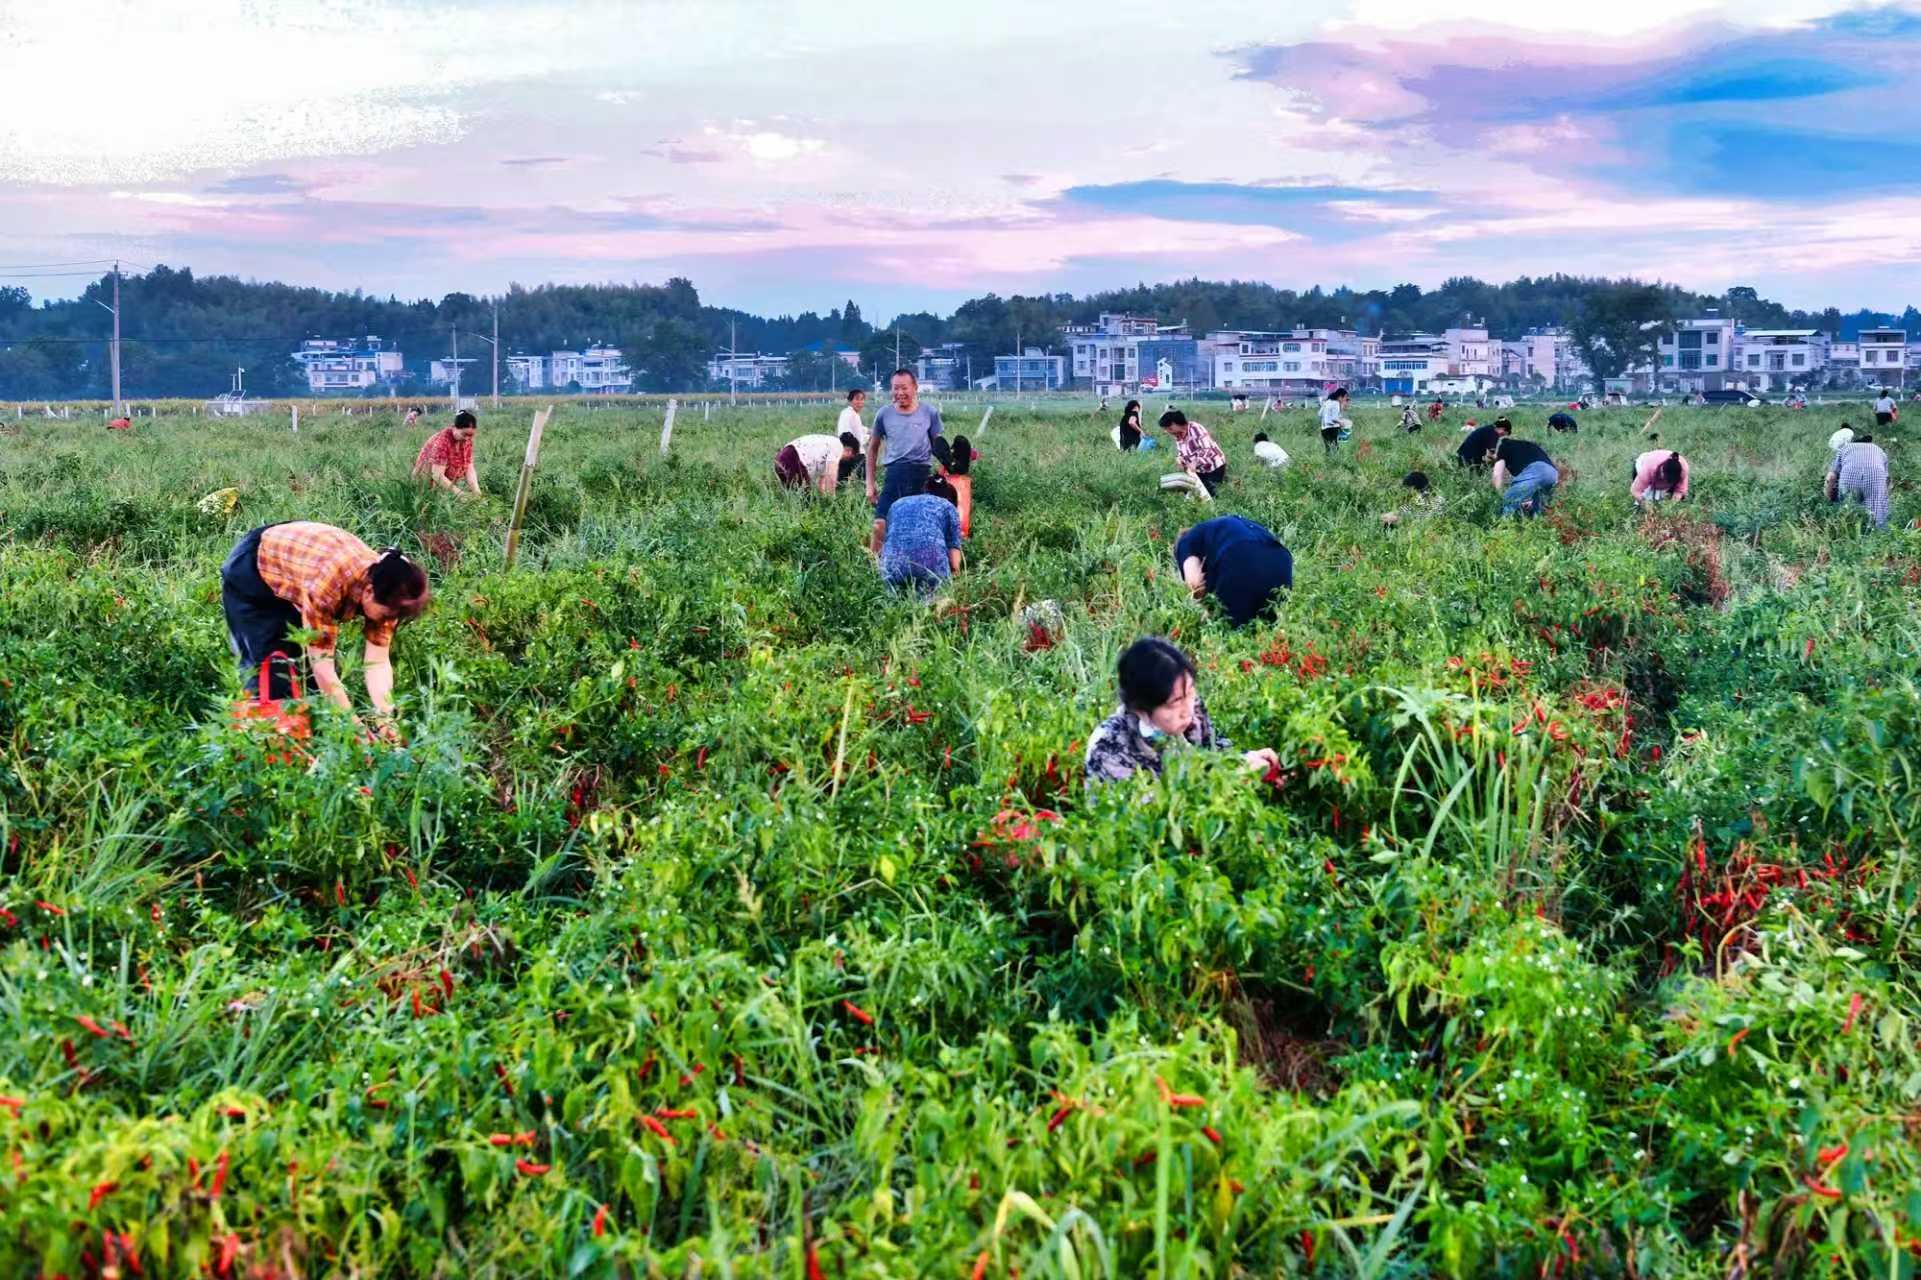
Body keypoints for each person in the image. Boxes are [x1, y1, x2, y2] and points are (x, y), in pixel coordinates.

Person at [220, 522, 430, 736]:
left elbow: (377, 663)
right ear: (368, 592)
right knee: (271, 676)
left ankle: (311, 748)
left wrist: (386, 720)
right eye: (387, 615)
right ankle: (264, 750)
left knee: (309, 682)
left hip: (298, 574)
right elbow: (324, 668)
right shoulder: (329, 583)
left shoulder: (391, 593)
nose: (389, 621)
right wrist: (356, 730)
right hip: (254, 568)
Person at [1084, 637, 1281, 786]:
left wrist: (1244, 758)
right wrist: (1230, 778)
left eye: (1190, 692)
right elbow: (1149, 815)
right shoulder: (1108, 747)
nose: (1187, 710)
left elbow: (1212, 747)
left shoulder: (1191, 708)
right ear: (1140, 708)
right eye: (1175, 702)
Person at [864, 369, 944, 556]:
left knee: (917, 528)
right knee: (879, 525)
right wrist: (870, 484)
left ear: (915, 388)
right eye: (895, 388)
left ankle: (917, 568)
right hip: (894, 475)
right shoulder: (884, 414)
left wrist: (944, 476)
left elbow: (939, 448)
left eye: (904, 388)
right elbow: (872, 449)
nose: (900, 393)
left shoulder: (929, 412)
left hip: (921, 476)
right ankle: (875, 569)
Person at [1172, 515, 1292, 627]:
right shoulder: (1223, 530)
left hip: (1239, 555)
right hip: (1281, 560)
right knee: (1268, 634)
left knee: (1226, 629)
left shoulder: (1186, 541)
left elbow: (1195, 583)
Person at [878, 475, 964, 596]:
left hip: (892, 566)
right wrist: (957, 580)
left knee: (893, 607)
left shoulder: (897, 503)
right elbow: (954, 557)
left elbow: (890, 539)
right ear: (949, 497)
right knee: (934, 609)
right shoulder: (948, 507)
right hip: (930, 567)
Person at [413, 410, 482, 498]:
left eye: (471, 435)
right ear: (454, 427)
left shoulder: (466, 441)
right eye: (464, 434)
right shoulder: (442, 441)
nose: (467, 438)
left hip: (444, 483)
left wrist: (477, 491)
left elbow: (469, 467)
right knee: (432, 500)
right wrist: (461, 495)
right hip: (426, 482)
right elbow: (437, 475)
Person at [1827, 433, 1890, 528]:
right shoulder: (1879, 450)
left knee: (1847, 510)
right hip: (1875, 476)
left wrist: (1830, 500)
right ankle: (1879, 533)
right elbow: (1886, 481)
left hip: (1849, 477)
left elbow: (1831, 477)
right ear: (1869, 441)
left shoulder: (1845, 448)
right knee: (1877, 513)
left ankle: (1847, 531)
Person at [1161, 410, 1227, 496]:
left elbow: (1206, 449)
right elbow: (1182, 451)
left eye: (1169, 428)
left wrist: (1195, 462)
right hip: (1198, 469)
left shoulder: (1195, 428)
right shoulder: (1178, 435)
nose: (1168, 431)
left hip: (1213, 466)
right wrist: (1180, 458)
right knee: (1198, 492)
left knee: (1212, 493)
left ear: (1175, 424)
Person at [1491, 433, 1558, 516]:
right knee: (1535, 512)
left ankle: (1499, 526)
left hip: (1536, 470)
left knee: (1506, 503)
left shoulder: (1504, 446)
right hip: (1553, 474)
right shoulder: (1526, 446)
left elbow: (1497, 475)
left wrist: (1500, 496)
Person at [776, 431, 861, 494]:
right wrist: (833, 502)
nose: (846, 460)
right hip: (792, 458)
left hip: (780, 459)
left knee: (793, 498)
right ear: (850, 451)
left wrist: (823, 497)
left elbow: (822, 481)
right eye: (850, 457)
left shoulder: (827, 448)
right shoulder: (838, 446)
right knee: (804, 501)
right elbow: (831, 477)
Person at [934, 433, 975, 536]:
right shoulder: (967, 459)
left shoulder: (947, 465)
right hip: (962, 487)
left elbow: (939, 475)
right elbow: (975, 454)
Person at [1318, 387, 1352, 453]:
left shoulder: (1327, 402)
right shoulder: (1336, 403)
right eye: (1345, 397)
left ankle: (1328, 462)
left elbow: (1319, 414)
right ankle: (1336, 462)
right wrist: (1341, 423)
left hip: (1324, 428)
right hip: (1332, 429)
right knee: (1335, 448)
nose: (1345, 399)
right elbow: (1334, 418)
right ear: (1340, 396)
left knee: (1328, 449)